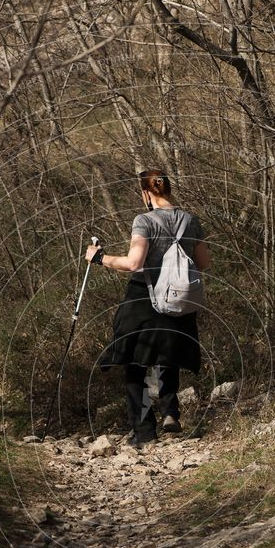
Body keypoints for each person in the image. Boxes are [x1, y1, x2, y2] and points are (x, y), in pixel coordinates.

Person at [86, 169, 210, 447]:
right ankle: (171, 413)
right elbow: (203, 263)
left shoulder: (144, 220)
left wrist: (100, 258)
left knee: (134, 361)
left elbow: (134, 263)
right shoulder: (191, 220)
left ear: (146, 193)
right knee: (169, 355)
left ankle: (144, 430)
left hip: (144, 297)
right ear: (168, 189)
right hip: (180, 298)